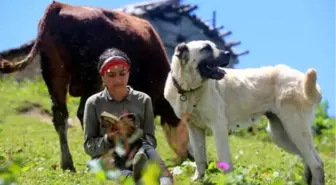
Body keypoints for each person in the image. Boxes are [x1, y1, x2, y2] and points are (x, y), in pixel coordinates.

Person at [83, 47, 173, 185]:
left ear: (128, 74)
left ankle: (165, 180)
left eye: (122, 74)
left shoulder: (143, 100)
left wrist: (134, 136)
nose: (118, 80)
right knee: (106, 164)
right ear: (103, 77)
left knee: (145, 148)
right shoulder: (93, 103)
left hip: (138, 151)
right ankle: (134, 177)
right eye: (111, 75)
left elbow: (151, 140)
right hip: (108, 156)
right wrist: (109, 138)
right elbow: (89, 146)